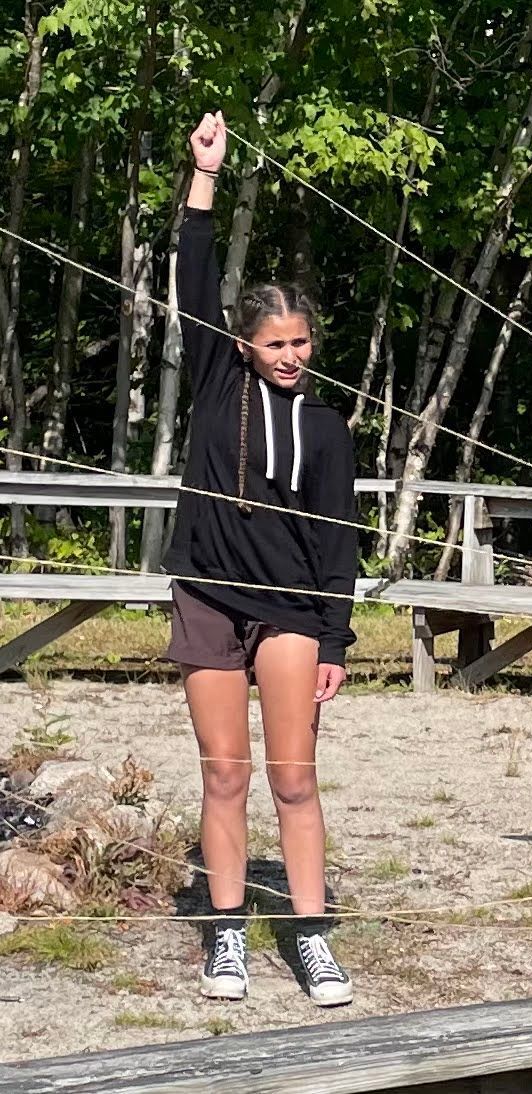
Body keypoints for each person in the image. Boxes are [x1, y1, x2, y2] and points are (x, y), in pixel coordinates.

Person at [165, 112, 358, 1005]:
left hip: (291, 611)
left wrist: (335, 639)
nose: (289, 356)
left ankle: (311, 938)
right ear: (246, 344)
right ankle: (228, 934)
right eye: (275, 343)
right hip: (208, 596)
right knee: (225, 774)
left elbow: (337, 537)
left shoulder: (326, 425)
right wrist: (205, 177)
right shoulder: (217, 381)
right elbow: (194, 276)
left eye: (300, 342)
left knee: (292, 778)